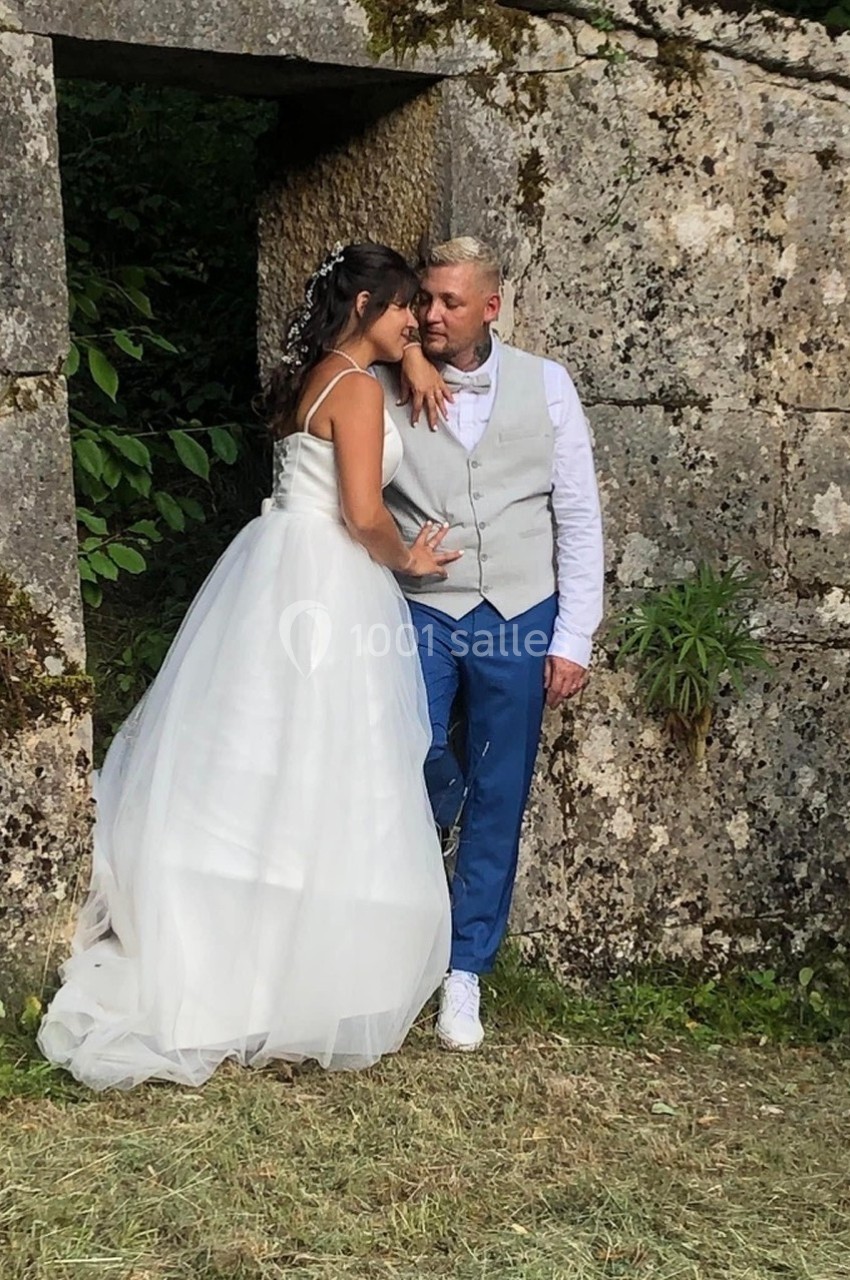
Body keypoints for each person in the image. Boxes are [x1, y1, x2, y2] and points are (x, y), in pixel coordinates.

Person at [37, 243, 459, 1090]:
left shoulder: (324, 377)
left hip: (277, 564)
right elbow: (365, 512)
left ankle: (241, 956)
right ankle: (298, 976)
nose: (418, 322)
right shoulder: (363, 394)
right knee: (324, 762)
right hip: (333, 574)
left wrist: (406, 351)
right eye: (406, 307)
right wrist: (406, 561)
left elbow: (343, 448)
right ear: (369, 304)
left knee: (254, 757)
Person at [375, 236, 604, 1052]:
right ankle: (397, 944)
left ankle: (464, 969)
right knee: (414, 757)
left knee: (500, 791)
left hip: (521, 611)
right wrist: (404, 356)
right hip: (418, 607)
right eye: (425, 301)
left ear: (491, 308)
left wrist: (573, 634)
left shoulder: (548, 385)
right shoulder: (380, 380)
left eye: (449, 303)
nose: (433, 315)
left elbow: (575, 513)